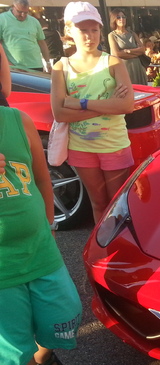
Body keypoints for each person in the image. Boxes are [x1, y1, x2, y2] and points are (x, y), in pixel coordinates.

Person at [1, 106, 82, 365]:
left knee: (65, 314)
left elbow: (40, 177)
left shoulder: (16, 120)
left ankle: (42, 354)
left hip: (39, 250)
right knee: (10, 347)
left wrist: (49, 223)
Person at [51, 1, 135, 224]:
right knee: (98, 205)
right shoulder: (61, 67)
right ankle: (103, 255)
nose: (90, 36)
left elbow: (126, 106)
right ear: (69, 31)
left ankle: (118, 252)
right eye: (82, 30)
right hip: (81, 149)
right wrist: (109, 105)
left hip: (114, 146)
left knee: (116, 206)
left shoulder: (114, 62)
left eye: (94, 29)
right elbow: (59, 113)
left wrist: (80, 103)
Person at [0, 0, 51, 72]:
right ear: (12, 7)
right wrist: (8, 64)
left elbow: (42, 43)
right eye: (20, 12)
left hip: (36, 65)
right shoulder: (2, 19)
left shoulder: (34, 21)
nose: (23, 15)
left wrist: (48, 62)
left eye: (26, 12)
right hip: (14, 67)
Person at [108, 9, 147, 85]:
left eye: (123, 17)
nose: (121, 19)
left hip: (137, 67)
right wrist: (136, 53)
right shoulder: (112, 35)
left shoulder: (132, 33)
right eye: (118, 17)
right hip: (124, 68)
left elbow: (142, 50)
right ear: (114, 19)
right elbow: (117, 54)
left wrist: (128, 51)